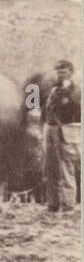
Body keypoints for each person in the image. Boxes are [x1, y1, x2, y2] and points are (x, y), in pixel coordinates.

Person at [43, 59, 80, 214]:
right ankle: (52, 203)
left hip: (66, 130)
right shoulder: (54, 89)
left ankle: (67, 205)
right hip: (51, 128)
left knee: (66, 168)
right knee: (50, 167)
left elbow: (69, 107)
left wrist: (65, 90)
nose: (59, 74)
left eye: (63, 71)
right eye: (58, 71)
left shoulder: (76, 90)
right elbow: (47, 109)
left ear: (71, 72)